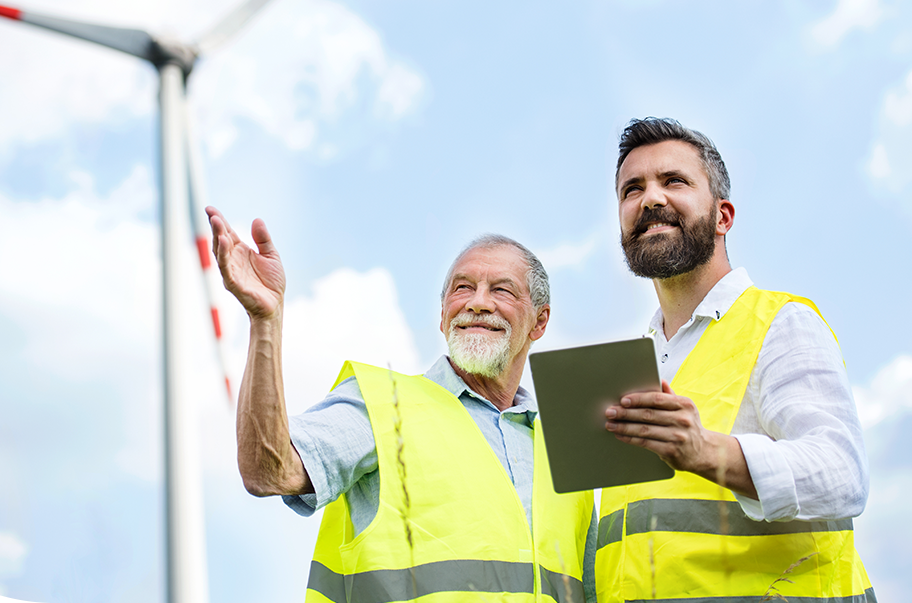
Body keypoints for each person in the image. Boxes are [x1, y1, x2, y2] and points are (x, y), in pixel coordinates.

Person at [205, 206, 597, 603]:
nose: (477, 302)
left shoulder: (567, 453)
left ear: (540, 321)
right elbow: (268, 471)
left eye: (501, 290)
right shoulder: (382, 405)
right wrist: (265, 321)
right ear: (443, 316)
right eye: (462, 288)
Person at [595, 118, 875, 602]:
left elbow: (842, 474)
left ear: (723, 216)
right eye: (631, 189)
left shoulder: (781, 323)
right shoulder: (634, 364)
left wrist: (708, 452)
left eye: (674, 181)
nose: (650, 199)